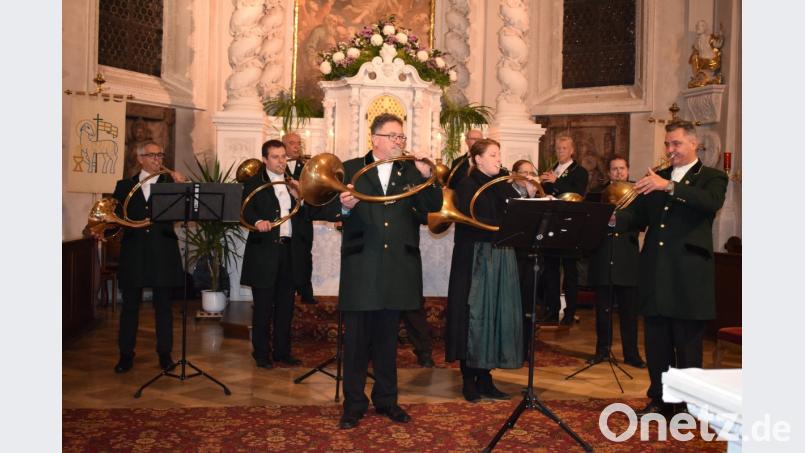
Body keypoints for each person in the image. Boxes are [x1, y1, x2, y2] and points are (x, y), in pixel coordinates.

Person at [327, 113, 442, 429]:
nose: (399, 142)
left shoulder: (409, 170)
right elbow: (318, 205)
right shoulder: (350, 168)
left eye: (401, 137)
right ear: (375, 138)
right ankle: (353, 405)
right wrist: (344, 207)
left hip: (397, 268)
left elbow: (432, 205)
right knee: (356, 345)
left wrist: (425, 175)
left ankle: (387, 400)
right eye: (393, 136)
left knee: (388, 342)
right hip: (362, 266)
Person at [615, 120, 727, 415]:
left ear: (694, 144)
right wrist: (612, 218)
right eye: (667, 144)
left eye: (676, 144)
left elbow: (709, 203)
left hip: (688, 273)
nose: (670, 149)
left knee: (688, 343)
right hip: (655, 270)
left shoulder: (712, 177)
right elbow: (638, 217)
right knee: (657, 341)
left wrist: (670, 186)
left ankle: (688, 405)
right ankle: (660, 398)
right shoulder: (658, 177)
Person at [446, 138, 524, 403]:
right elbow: (472, 220)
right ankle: (469, 378)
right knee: (474, 317)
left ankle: (486, 377)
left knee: (495, 315)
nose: (498, 159)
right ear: (477, 158)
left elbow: (516, 211)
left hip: (499, 255)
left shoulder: (501, 184)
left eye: (499, 154)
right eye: (492, 155)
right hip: (475, 258)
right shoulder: (467, 184)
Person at [99, 141, 186, 374]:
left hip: (163, 251)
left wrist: (183, 187)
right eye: (152, 155)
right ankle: (125, 355)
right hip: (134, 252)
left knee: (164, 307)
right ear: (140, 159)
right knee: (130, 307)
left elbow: (185, 212)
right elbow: (115, 217)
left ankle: (165, 355)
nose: (158, 159)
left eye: (160, 155)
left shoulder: (171, 183)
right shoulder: (124, 185)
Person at [241, 139, 308, 368]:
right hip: (264, 253)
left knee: (286, 306)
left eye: (283, 156)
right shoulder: (253, 183)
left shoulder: (293, 183)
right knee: (263, 307)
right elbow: (245, 210)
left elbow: (303, 214)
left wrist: (300, 195)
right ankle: (261, 353)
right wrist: (258, 220)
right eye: (276, 157)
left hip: (288, 252)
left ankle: (282, 352)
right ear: (265, 160)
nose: (282, 161)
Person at [586, 156, 645, 368]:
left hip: (627, 258)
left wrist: (616, 219)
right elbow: (589, 221)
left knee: (629, 312)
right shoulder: (597, 193)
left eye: (622, 168)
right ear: (609, 173)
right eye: (614, 169)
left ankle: (632, 354)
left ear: (628, 171)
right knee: (603, 310)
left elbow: (641, 221)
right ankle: (602, 351)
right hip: (603, 256)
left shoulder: (639, 193)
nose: (619, 172)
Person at [539, 135, 589, 324]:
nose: (560, 151)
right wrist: (542, 183)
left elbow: (577, 193)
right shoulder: (551, 169)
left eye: (564, 148)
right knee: (550, 270)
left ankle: (570, 312)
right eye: (558, 148)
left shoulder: (580, 171)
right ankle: (552, 310)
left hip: (570, 225)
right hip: (552, 222)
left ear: (572, 150)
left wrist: (556, 182)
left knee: (570, 272)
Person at [510, 159, 543, 355]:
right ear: (514, 174)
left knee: (529, 301)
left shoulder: (537, 194)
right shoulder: (508, 193)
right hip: (513, 254)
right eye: (524, 172)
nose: (528, 177)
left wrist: (535, 196)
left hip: (531, 255)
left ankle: (526, 345)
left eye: (531, 173)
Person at [283, 132, 317, 305]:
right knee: (286, 257)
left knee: (304, 256)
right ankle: (285, 292)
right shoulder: (277, 168)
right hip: (284, 220)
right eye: (292, 143)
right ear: (284, 146)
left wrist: (300, 195)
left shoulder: (307, 167)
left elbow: (314, 192)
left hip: (303, 218)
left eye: (298, 143)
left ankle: (306, 292)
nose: (296, 146)